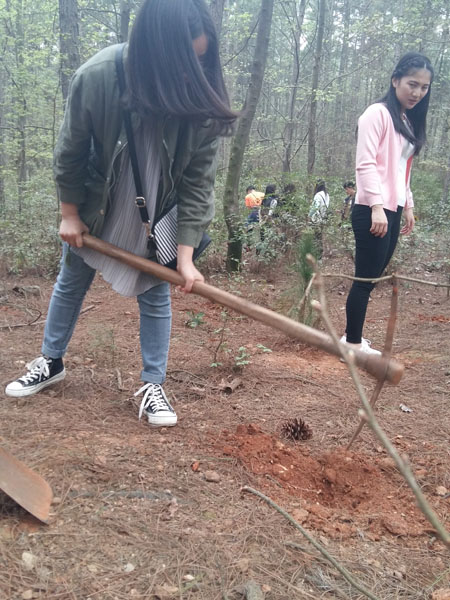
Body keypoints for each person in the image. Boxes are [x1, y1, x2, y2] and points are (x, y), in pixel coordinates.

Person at [5, 0, 237, 427]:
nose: (194, 75)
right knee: (71, 281)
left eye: (201, 62)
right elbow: (71, 152)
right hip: (98, 208)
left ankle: (153, 384)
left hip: (155, 217)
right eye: (187, 62)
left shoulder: (199, 97)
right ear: (157, 50)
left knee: (155, 294)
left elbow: (198, 183)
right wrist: (69, 214)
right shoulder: (99, 76)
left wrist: (185, 256)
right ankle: (50, 361)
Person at [341, 52, 433, 355]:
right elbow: (365, 163)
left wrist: (408, 205)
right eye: (412, 84)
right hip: (372, 209)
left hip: (392, 208)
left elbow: (402, 169)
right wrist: (377, 206)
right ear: (395, 81)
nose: (417, 93)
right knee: (365, 279)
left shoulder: (406, 121)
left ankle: (352, 338)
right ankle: (352, 343)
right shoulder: (376, 114)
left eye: (424, 87)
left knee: (372, 277)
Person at [308, 180, 330, 258]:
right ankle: (319, 256)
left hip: (315, 220)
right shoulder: (327, 195)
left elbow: (315, 207)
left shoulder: (318, 195)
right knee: (319, 237)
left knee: (315, 238)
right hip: (322, 219)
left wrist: (309, 215)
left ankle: (316, 256)